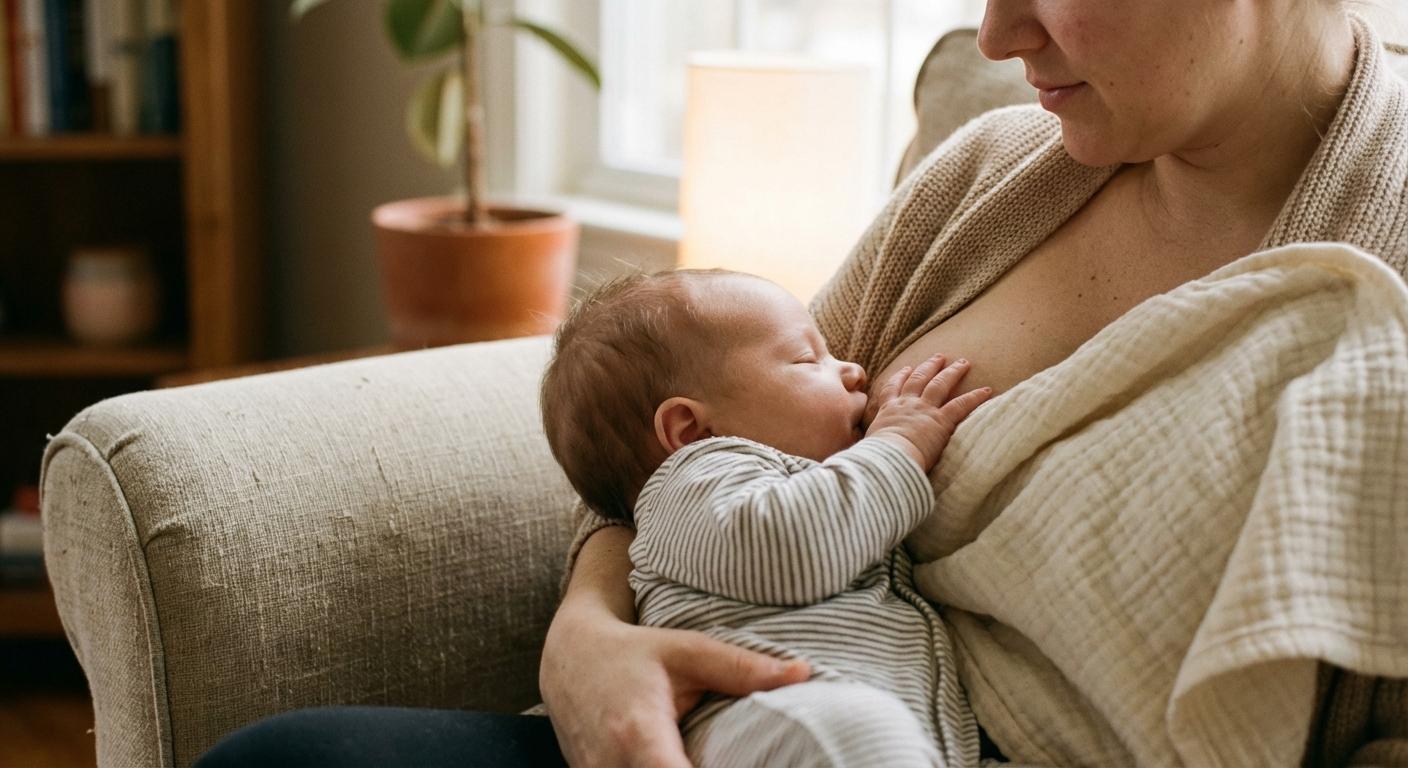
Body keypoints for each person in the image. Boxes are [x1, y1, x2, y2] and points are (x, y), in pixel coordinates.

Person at [199, 0, 1407, 764]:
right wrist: (588, 644)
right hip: (754, 718)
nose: (994, 37)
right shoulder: (994, 172)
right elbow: (692, 451)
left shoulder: (1377, 272)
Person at [538, 268, 990, 766]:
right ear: (690, 430)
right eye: (805, 358)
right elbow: (793, 549)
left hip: (865, 724)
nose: (854, 370)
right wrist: (899, 444)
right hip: (779, 721)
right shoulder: (696, 478)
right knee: (858, 729)